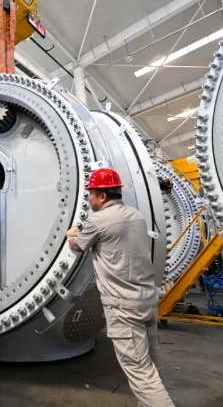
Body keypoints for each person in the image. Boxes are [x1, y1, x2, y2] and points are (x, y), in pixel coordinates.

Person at [67, 168, 175, 407]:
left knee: (139, 371)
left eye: (91, 194)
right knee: (151, 363)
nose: (89, 199)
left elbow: (78, 246)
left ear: (102, 196)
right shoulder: (137, 216)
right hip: (146, 299)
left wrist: (72, 235)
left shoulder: (98, 220)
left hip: (123, 306)